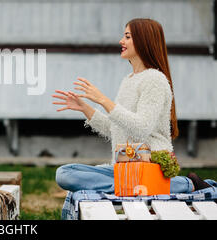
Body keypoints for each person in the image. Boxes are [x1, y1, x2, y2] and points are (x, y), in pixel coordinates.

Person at [52, 18, 211, 194]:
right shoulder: (128, 80)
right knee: (65, 173)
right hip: (125, 165)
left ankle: (181, 184)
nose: (121, 41)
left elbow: (141, 128)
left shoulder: (155, 80)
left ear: (144, 41)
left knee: (74, 178)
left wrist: (104, 100)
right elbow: (116, 128)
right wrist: (85, 108)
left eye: (127, 37)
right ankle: (131, 186)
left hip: (148, 165)